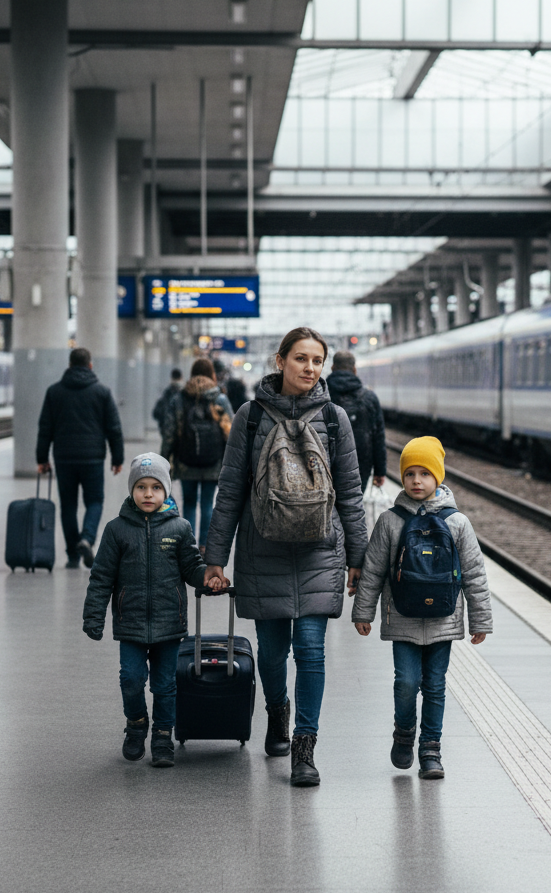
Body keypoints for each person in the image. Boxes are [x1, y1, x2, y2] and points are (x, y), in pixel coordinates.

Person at [204, 327, 368, 788]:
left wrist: (358, 556)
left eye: (317, 361)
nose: (309, 369)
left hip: (320, 550)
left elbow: (350, 495)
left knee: (310, 651)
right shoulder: (250, 417)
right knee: (273, 654)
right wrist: (215, 555)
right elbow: (231, 488)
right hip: (263, 549)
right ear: (280, 360)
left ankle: (304, 746)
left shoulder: (336, 419)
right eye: (301, 359)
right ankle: (277, 712)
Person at [351, 436, 492, 779]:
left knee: (435, 686)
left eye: (425, 474)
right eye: (410, 473)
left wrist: (481, 619)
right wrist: (362, 611)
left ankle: (431, 749)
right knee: (406, 683)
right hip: (403, 618)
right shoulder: (390, 521)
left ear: (438, 478)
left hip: (443, 620)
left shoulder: (458, 523)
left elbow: (474, 572)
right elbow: (372, 569)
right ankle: (404, 734)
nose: (416, 480)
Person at [82, 452, 228, 767]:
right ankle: (136, 723)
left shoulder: (179, 528)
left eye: (156, 488)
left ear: (166, 491)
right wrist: (93, 616)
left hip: (168, 624)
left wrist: (209, 579)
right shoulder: (116, 530)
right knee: (131, 680)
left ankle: (163, 735)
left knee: (165, 686)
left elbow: (192, 569)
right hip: (131, 624)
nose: (148, 494)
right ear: (132, 490)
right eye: (141, 487)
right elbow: (101, 577)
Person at [36, 346, 124, 569]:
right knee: (94, 500)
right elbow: (114, 427)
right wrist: (117, 458)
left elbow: (45, 428)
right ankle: (87, 538)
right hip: (92, 457)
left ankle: (72, 555)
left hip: (64, 457)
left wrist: (41, 458)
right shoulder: (102, 392)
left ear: (69, 365)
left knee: (68, 505)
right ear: (90, 365)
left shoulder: (54, 391)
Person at [159, 358, 233, 553]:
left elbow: (170, 432)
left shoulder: (180, 398)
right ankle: (204, 546)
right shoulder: (220, 398)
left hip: (186, 460)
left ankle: (189, 545)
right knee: (208, 503)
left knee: (189, 502)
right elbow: (230, 432)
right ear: (212, 375)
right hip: (213, 461)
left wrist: (164, 459)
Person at [326, 350, 387, 492]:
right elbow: (378, 437)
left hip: (328, 463)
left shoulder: (321, 395)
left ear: (332, 368)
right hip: (361, 464)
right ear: (354, 370)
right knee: (354, 505)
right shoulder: (369, 398)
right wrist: (380, 471)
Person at [152, 368, 184, 437]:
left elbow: (156, 413)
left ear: (171, 378)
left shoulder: (167, 393)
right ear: (181, 378)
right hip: (181, 432)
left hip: (167, 430)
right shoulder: (184, 393)